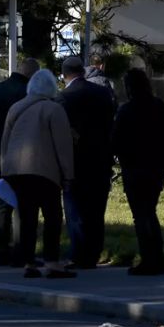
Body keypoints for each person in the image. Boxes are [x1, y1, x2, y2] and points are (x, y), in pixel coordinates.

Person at [1, 69, 76, 278]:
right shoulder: (54, 109)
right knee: (52, 216)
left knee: (27, 218)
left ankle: (28, 263)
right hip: (45, 171)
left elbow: (5, 143)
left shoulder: (15, 108)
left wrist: (5, 169)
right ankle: (53, 263)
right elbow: (63, 145)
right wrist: (68, 174)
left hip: (16, 171)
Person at [113, 68, 164, 275]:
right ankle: (157, 258)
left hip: (134, 168)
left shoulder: (126, 110)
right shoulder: (158, 106)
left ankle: (148, 259)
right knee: (150, 211)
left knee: (140, 215)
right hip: (155, 167)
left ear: (129, 87)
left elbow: (116, 140)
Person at [57, 56, 116, 269]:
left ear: (64, 75)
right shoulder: (103, 93)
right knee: (96, 208)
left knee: (75, 210)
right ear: (82, 71)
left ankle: (78, 253)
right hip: (101, 158)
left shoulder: (64, 96)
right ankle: (93, 252)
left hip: (75, 160)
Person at [0, 58, 39, 266]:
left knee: (4, 200)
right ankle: (21, 248)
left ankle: (2, 248)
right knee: (24, 203)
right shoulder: (27, 93)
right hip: (22, 152)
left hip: (0, 150)